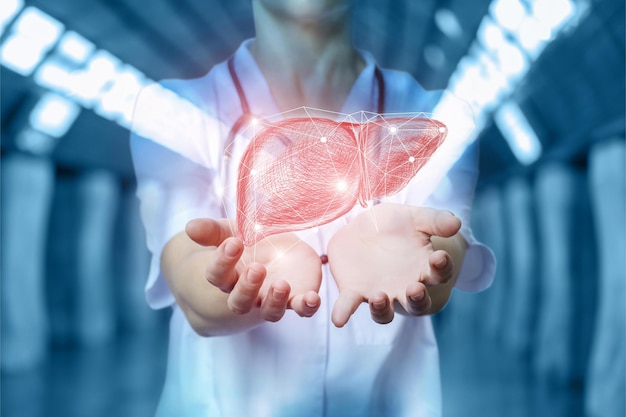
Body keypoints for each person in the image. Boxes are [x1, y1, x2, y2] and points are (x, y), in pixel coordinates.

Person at [131, 0, 495, 416]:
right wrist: (237, 282)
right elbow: (192, 282)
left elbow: (445, 252)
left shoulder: (437, 116)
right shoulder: (175, 111)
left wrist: (427, 266)